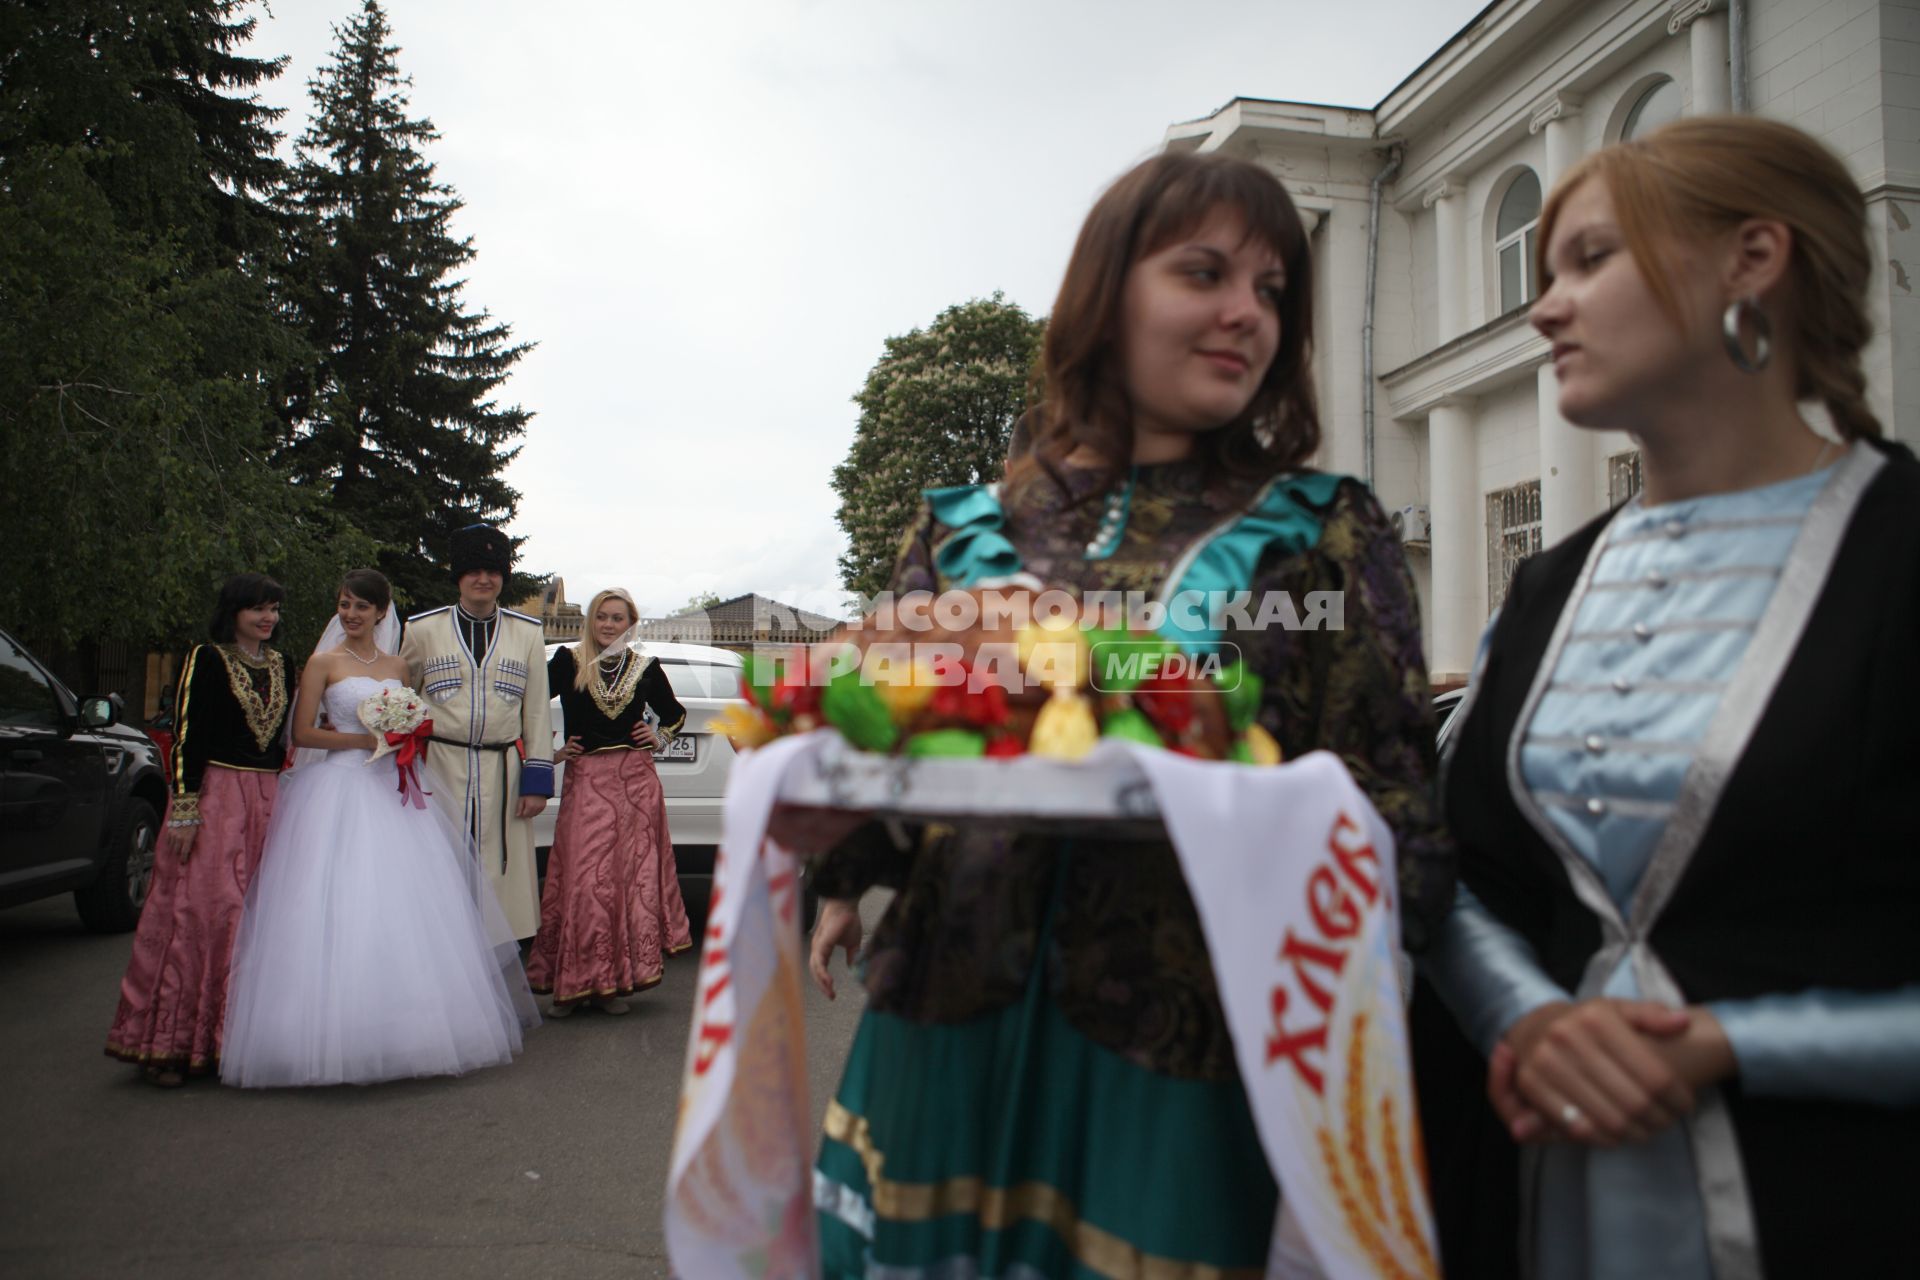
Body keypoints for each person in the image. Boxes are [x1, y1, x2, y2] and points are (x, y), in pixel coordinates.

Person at [804, 151, 1450, 1276]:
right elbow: (887, 740)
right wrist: (833, 857)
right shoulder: (959, 529)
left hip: (1184, 1046)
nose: (1246, 312)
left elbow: (1399, 812)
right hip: (942, 1015)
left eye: (1273, 290)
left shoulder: (1322, 533)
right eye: (1205, 272)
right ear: (1106, 292)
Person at [1417, 116, 1920, 1279]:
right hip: (1540, 1186)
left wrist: (1728, 1042)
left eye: (1590, 260)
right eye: (1543, 272)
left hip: (1839, 1201)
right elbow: (1456, 867)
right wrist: (1527, 1019)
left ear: (1755, 258)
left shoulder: (1900, 553)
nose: (1545, 308)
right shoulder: (1546, 584)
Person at [220, 568, 537, 1087]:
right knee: (338, 905)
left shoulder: (396, 665)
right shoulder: (322, 663)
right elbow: (301, 735)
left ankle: (406, 1031)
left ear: (381, 613)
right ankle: (323, 1033)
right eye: (344, 605)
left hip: (395, 791)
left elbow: (413, 719)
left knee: (404, 910)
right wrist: (366, 742)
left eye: (361, 607)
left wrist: (401, 738)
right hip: (340, 791)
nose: (350, 615)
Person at [105, 573, 293, 1087]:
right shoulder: (206, 659)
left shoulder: (283, 664)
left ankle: (233, 1040)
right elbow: (187, 736)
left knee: (257, 916)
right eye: (257, 609)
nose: (267, 619)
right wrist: (185, 808)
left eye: (273, 609)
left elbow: (285, 739)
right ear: (233, 612)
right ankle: (172, 1044)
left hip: (268, 798)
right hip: (216, 797)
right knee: (203, 912)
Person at [529, 587, 693, 1016]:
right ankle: (575, 980)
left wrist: (658, 737)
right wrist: (550, 753)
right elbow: (529, 705)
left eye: (617, 618)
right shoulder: (568, 662)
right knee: (585, 882)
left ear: (630, 623)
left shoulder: (646, 667)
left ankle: (614, 984)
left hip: (636, 784)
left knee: (623, 882)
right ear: (591, 620)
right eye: (602, 616)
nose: (608, 624)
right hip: (586, 782)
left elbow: (674, 713)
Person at [400, 524, 554, 940]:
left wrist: (536, 782)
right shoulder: (422, 629)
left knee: (496, 881)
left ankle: (494, 976)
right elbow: (401, 699)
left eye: (493, 570)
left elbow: (537, 711)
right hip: (439, 767)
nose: (483, 579)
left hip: (502, 772)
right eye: (473, 570)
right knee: (438, 868)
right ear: (458, 576)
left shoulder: (527, 633)